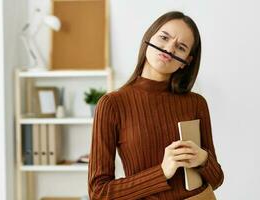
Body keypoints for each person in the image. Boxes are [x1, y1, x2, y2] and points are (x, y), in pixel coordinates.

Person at [88, 11, 224, 200]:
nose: (169, 48)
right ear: (148, 38)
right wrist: (161, 172)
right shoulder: (112, 104)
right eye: (164, 37)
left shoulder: (196, 103)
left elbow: (217, 179)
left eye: (181, 47)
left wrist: (202, 159)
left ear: (186, 62)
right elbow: (99, 192)